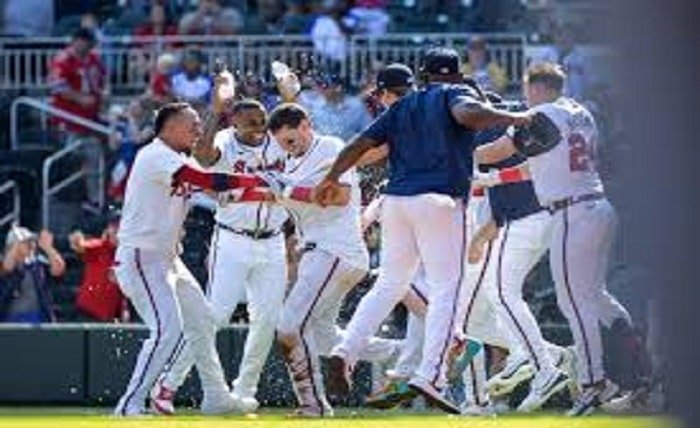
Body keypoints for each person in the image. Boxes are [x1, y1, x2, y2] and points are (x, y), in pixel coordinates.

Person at [314, 47, 531, 412]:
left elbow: (358, 145)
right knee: (447, 290)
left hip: (397, 203)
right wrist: (519, 116)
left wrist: (331, 177)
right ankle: (430, 375)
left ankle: (345, 350)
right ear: (455, 75)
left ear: (423, 75)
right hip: (441, 202)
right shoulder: (455, 93)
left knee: (389, 284)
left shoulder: (402, 106)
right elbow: (468, 113)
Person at [474, 62, 640, 416]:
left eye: (526, 88)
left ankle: (594, 382)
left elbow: (500, 150)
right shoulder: (581, 112)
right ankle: (631, 349)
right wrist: (489, 181)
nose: (525, 95)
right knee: (596, 296)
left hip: (571, 212)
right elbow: (534, 166)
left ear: (535, 86)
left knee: (573, 304)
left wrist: (459, 159)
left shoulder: (541, 113)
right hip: (598, 205)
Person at [112, 101, 276, 416]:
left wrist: (271, 191)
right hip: (142, 257)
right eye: (193, 125)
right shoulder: (155, 154)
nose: (199, 130)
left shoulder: (178, 157)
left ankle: (216, 395)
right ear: (170, 127)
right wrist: (255, 181)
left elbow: (221, 193)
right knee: (167, 330)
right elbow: (210, 182)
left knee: (202, 321)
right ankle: (129, 404)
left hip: (168, 260)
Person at [152, 99, 289, 415]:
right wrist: (217, 112)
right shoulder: (224, 139)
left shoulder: (277, 141)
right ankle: (168, 384)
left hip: (273, 240)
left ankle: (244, 390)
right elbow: (202, 156)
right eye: (251, 122)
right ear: (235, 122)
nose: (259, 128)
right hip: (232, 239)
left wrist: (290, 97)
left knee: (267, 320)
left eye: (262, 120)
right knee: (214, 316)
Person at [267, 103, 396, 417]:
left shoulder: (330, 146)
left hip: (335, 251)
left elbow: (336, 196)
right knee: (326, 340)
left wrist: (287, 188)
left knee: (289, 327)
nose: (288, 146)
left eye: (292, 139)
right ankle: (409, 354)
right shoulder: (289, 163)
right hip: (320, 253)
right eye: (283, 142)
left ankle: (313, 405)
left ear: (307, 125)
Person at [48, 27, 107, 210]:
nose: (87, 45)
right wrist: (80, 98)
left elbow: (103, 81)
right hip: (69, 122)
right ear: (75, 40)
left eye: (89, 41)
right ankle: (92, 200)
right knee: (89, 154)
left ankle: (100, 199)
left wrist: (105, 95)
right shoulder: (63, 59)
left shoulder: (94, 59)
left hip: (92, 120)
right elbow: (56, 86)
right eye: (83, 40)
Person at [70, 209, 129, 322]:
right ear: (108, 229)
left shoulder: (129, 253)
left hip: (112, 316)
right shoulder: (99, 246)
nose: (117, 230)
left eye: (121, 225)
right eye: (114, 226)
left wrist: (124, 310)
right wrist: (77, 239)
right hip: (87, 313)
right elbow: (79, 246)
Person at [0, 226, 65, 323]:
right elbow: (6, 267)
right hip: (9, 320)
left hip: (38, 320)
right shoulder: (5, 261)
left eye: (32, 241)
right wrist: (16, 245)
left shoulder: (38, 262)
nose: (31, 244)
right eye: (26, 242)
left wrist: (48, 249)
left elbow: (58, 269)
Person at [303, 73, 371, 142]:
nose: (321, 90)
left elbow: (368, 135)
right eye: (319, 85)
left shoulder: (356, 107)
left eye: (325, 86)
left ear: (338, 87)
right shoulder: (316, 105)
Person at [178, 0, 244, 35]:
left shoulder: (230, 13)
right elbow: (182, 31)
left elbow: (233, 31)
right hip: (197, 56)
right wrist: (200, 15)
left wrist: (217, 13)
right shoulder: (190, 16)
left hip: (224, 52)